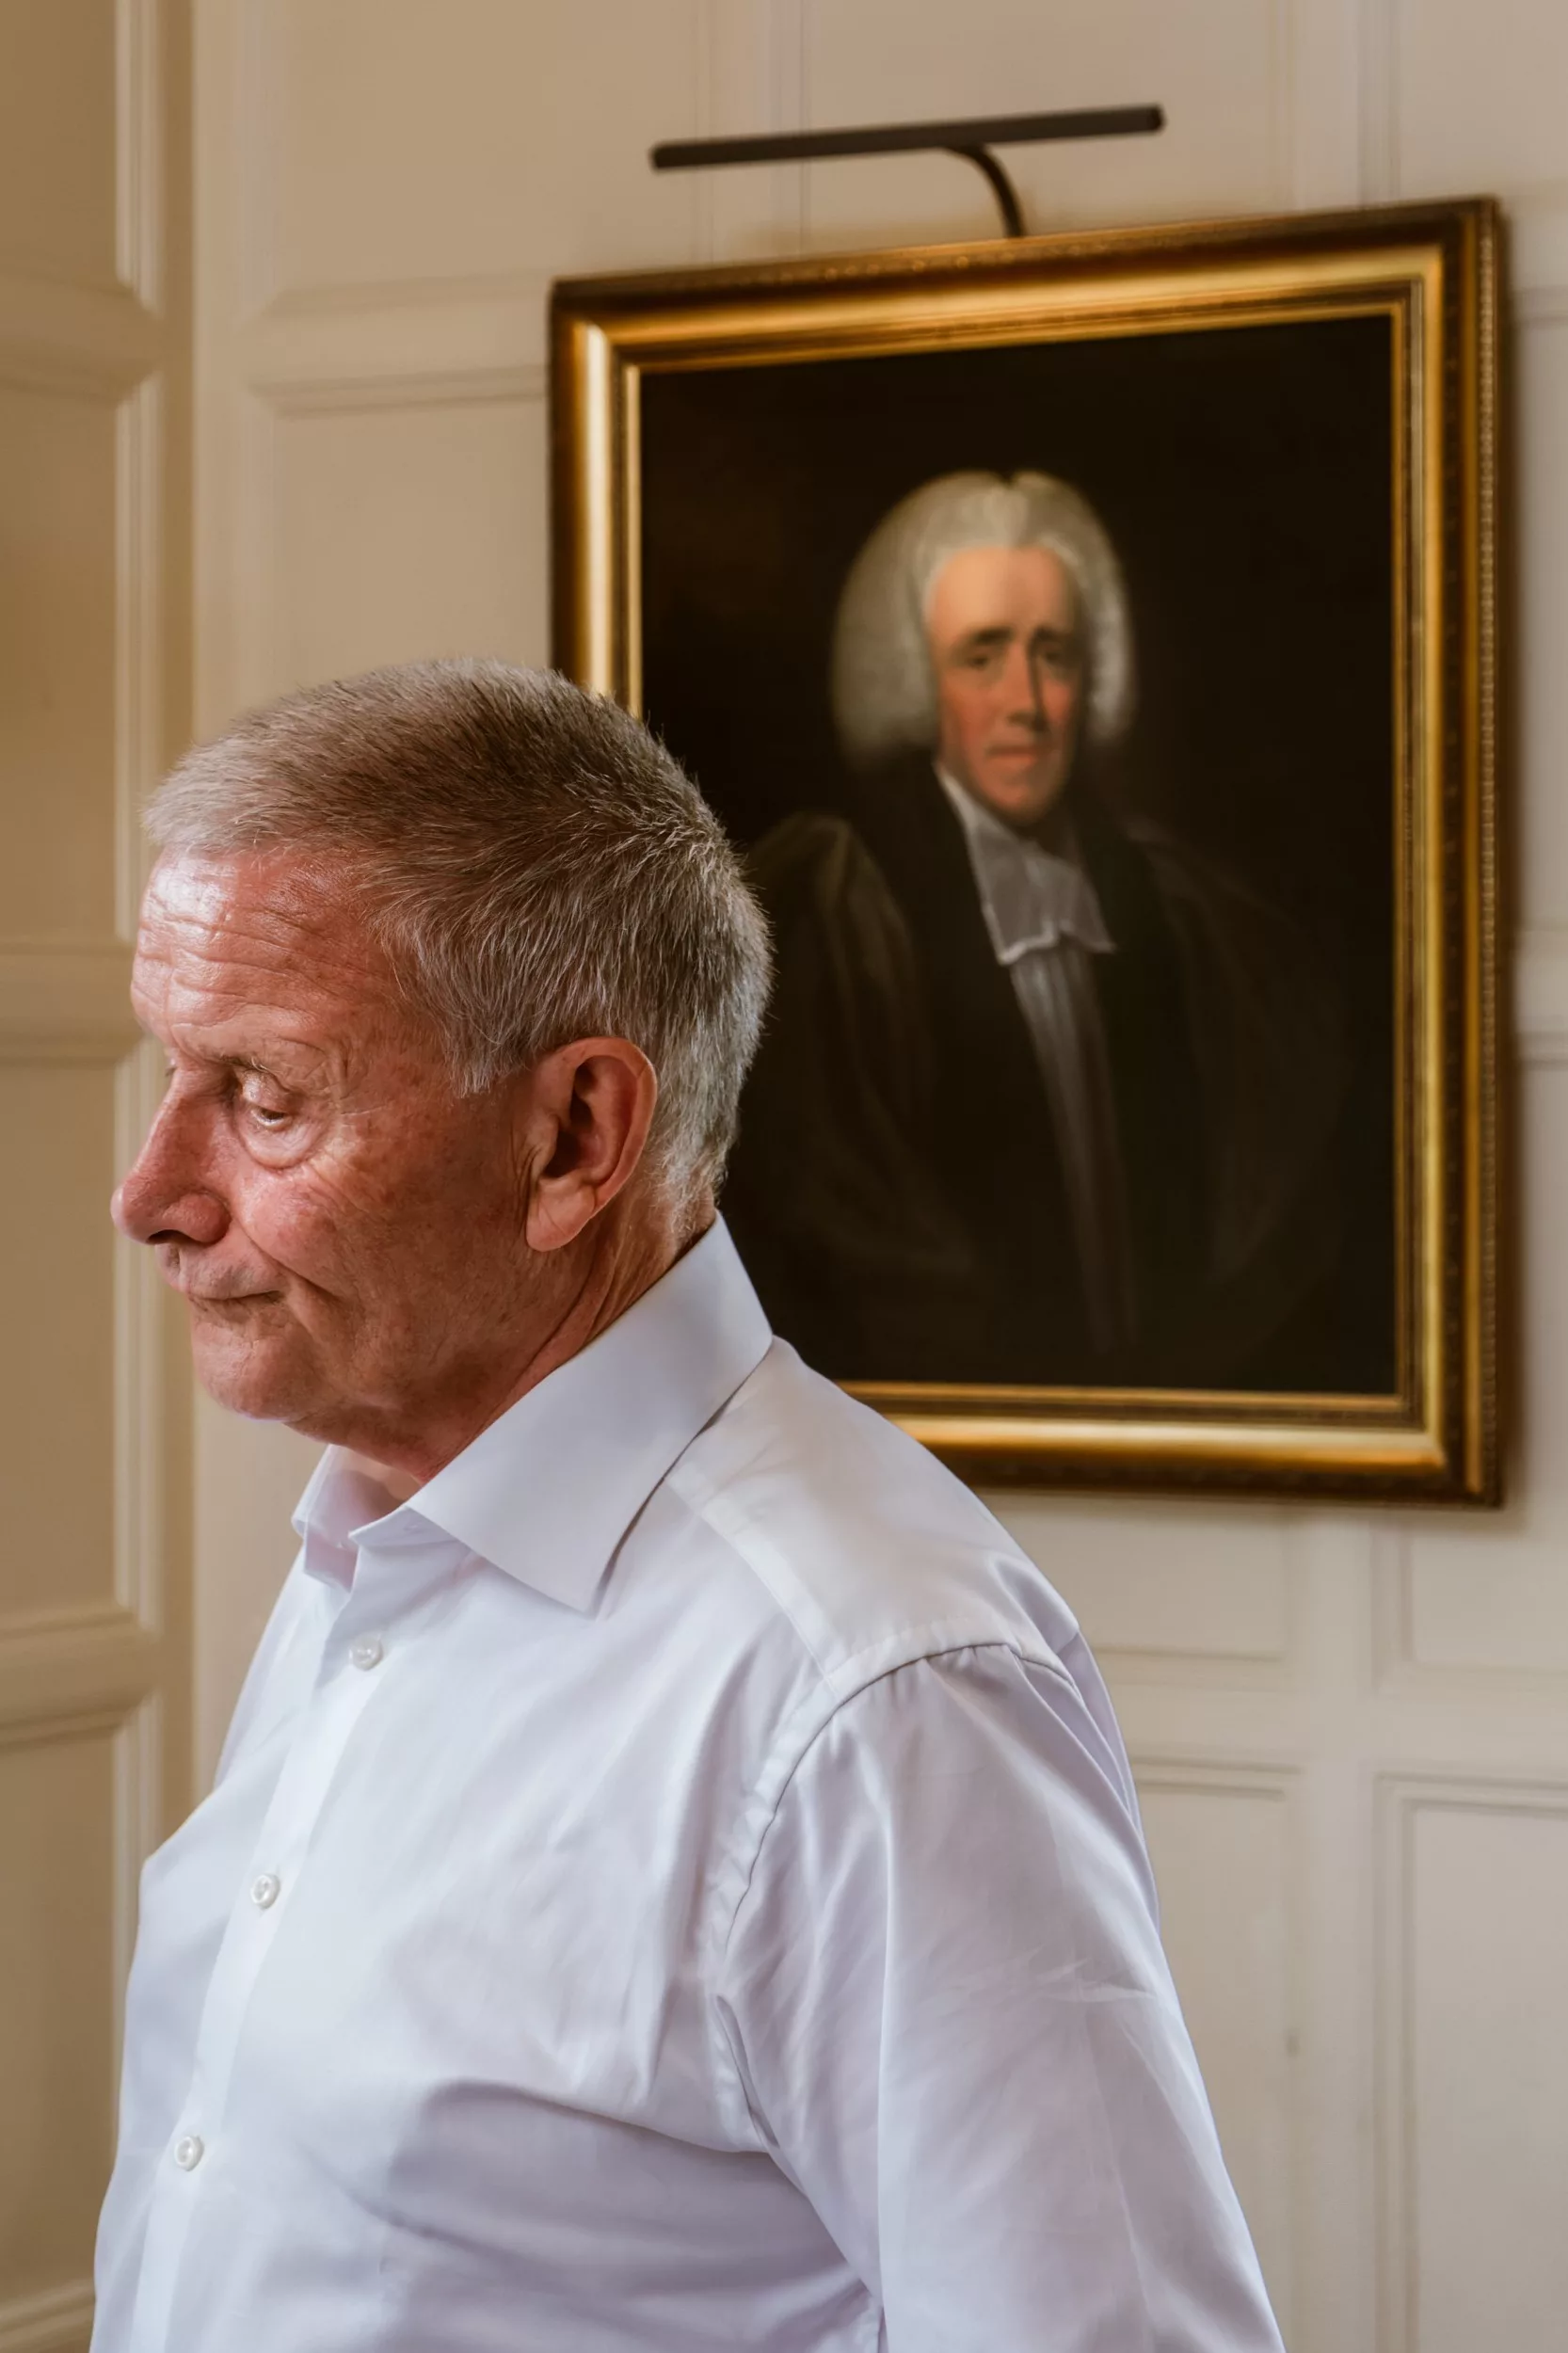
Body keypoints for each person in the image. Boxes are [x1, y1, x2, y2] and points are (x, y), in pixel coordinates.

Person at [93, 658, 1284, 2351]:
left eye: (266, 1098)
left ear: (577, 1135)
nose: (150, 1194)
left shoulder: (874, 1692)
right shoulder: (377, 1524)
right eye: (170, 1073)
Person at [725, 471, 1345, 1387]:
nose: (1026, 700)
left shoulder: (1181, 910)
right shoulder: (836, 905)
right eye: (982, 655)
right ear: (917, 678)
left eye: (1052, 653)